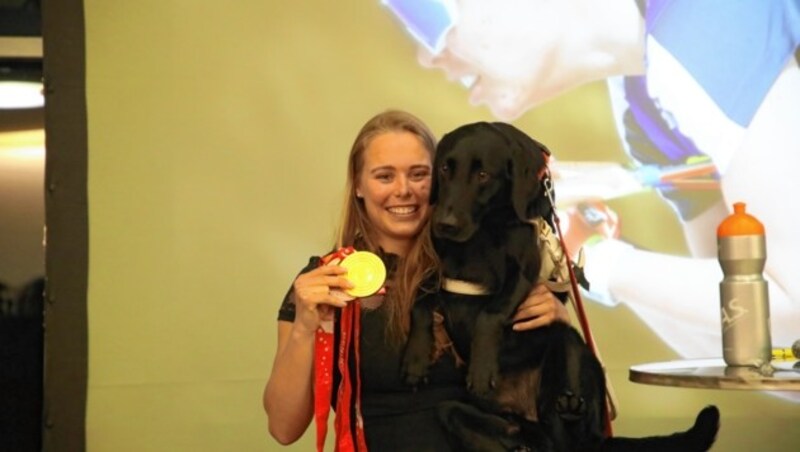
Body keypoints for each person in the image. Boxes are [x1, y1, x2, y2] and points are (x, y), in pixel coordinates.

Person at [382, 0, 800, 366]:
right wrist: (582, 252)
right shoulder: (643, 109)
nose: (427, 57)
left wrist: (592, 262)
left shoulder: (701, 32)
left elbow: (792, 309)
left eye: (432, 19)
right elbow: (747, 349)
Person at [263, 109, 570, 450]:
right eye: (384, 176)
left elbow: (563, 395)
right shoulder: (327, 279)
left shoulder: (494, 268)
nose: (404, 190)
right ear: (359, 186)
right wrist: (305, 327)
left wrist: (560, 321)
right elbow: (283, 427)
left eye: (419, 174)